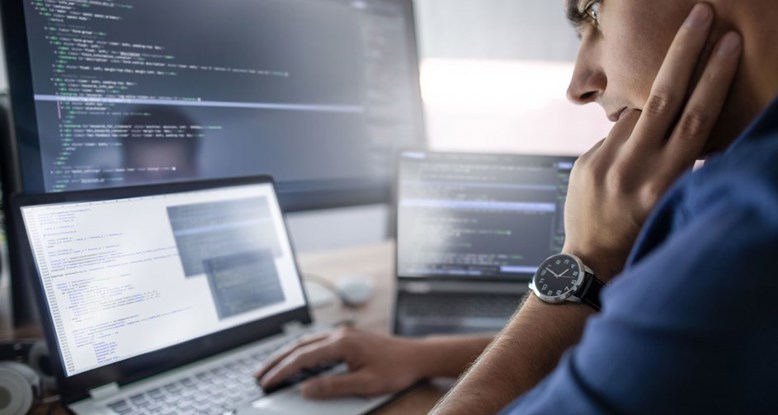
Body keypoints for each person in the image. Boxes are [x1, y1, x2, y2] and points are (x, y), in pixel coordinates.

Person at [256, 0, 778, 413]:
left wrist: (588, 259)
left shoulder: (741, 230)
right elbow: (635, 342)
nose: (578, 85)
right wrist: (420, 355)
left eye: (593, 10)